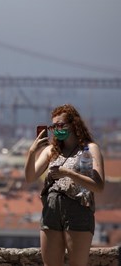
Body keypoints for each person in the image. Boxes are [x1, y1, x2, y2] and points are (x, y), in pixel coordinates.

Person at [24, 104, 105, 266]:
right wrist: (32, 152)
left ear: (73, 124)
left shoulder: (89, 149)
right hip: (51, 208)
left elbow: (98, 186)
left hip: (78, 208)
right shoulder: (51, 150)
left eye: (61, 125)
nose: (57, 129)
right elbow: (30, 177)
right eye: (54, 126)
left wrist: (68, 173)